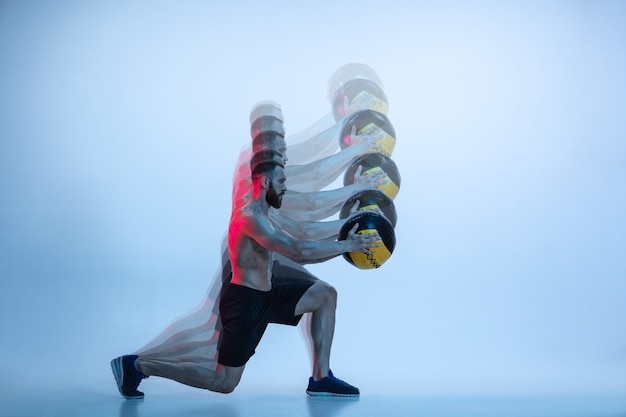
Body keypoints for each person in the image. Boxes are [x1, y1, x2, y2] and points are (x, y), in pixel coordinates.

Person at [112, 150, 380, 397]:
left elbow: (306, 236)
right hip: (245, 304)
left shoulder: (267, 211)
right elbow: (297, 250)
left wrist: (350, 213)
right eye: (281, 181)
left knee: (325, 295)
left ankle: (320, 378)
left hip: (268, 293)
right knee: (225, 383)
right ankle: (138, 366)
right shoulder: (250, 219)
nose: (286, 187)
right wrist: (348, 245)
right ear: (264, 183)